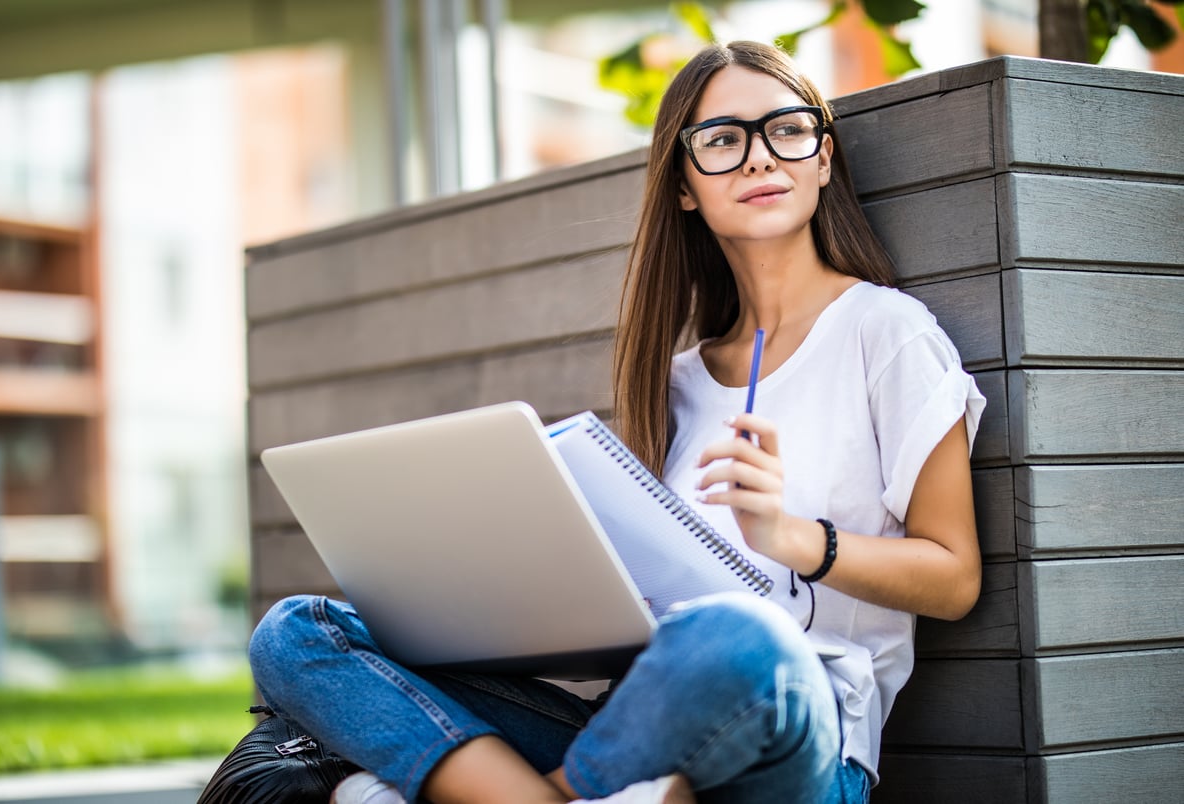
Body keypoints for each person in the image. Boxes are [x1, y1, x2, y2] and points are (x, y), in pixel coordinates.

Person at [248, 39, 985, 804]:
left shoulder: (886, 332)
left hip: (797, 737)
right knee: (299, 632)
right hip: (636, 729)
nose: (762, 158)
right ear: (685, 188)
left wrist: (793, 539)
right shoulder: (677, 382)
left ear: (823, 158)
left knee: (738, 635)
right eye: (724, 141)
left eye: (787, 130)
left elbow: (954, 576)